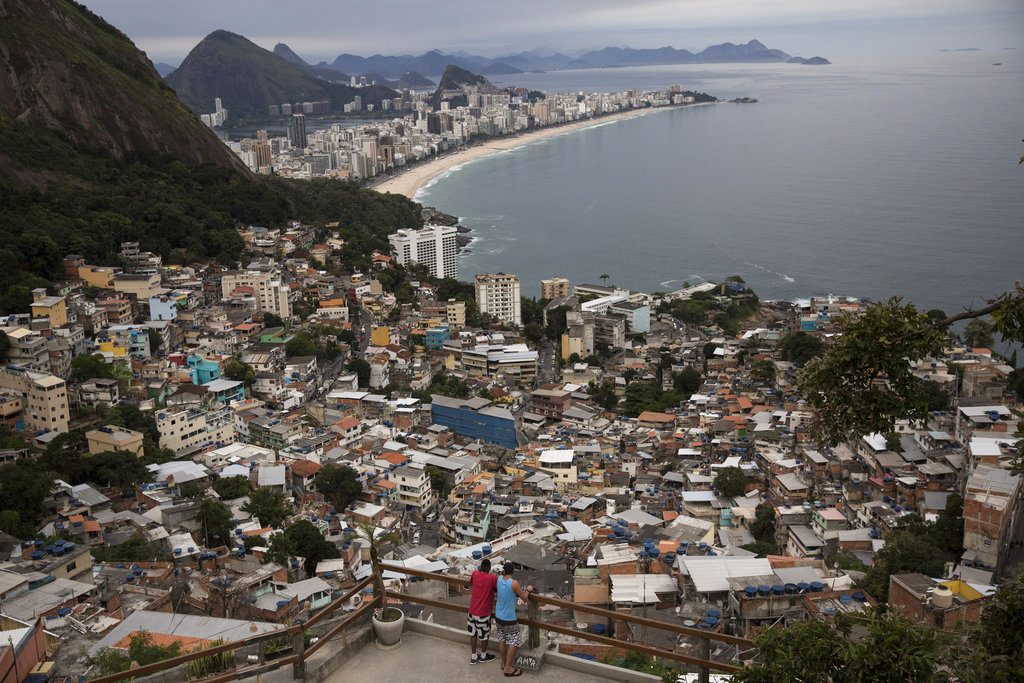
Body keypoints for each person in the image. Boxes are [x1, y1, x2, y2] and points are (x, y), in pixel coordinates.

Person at [495, 563, 532, 677]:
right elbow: (524, 598)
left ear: (504, 571)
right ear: (513, 571)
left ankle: (503, 663)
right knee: (514, 641)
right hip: (508, 618)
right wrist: (528, 590)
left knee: (502, 639)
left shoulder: (499, 579)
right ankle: (508, 668)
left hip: (498, 615)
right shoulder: (514, 583)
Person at [467, 558, 497, 664]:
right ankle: (483, 656)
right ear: (489, 568)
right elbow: (497, 588)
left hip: (472, 611)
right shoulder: (492, 578)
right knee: (484, 635)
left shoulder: (475, 574)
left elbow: (471, 582)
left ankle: (474, 656)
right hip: (483, 613)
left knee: (473, 634)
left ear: (481, 567)